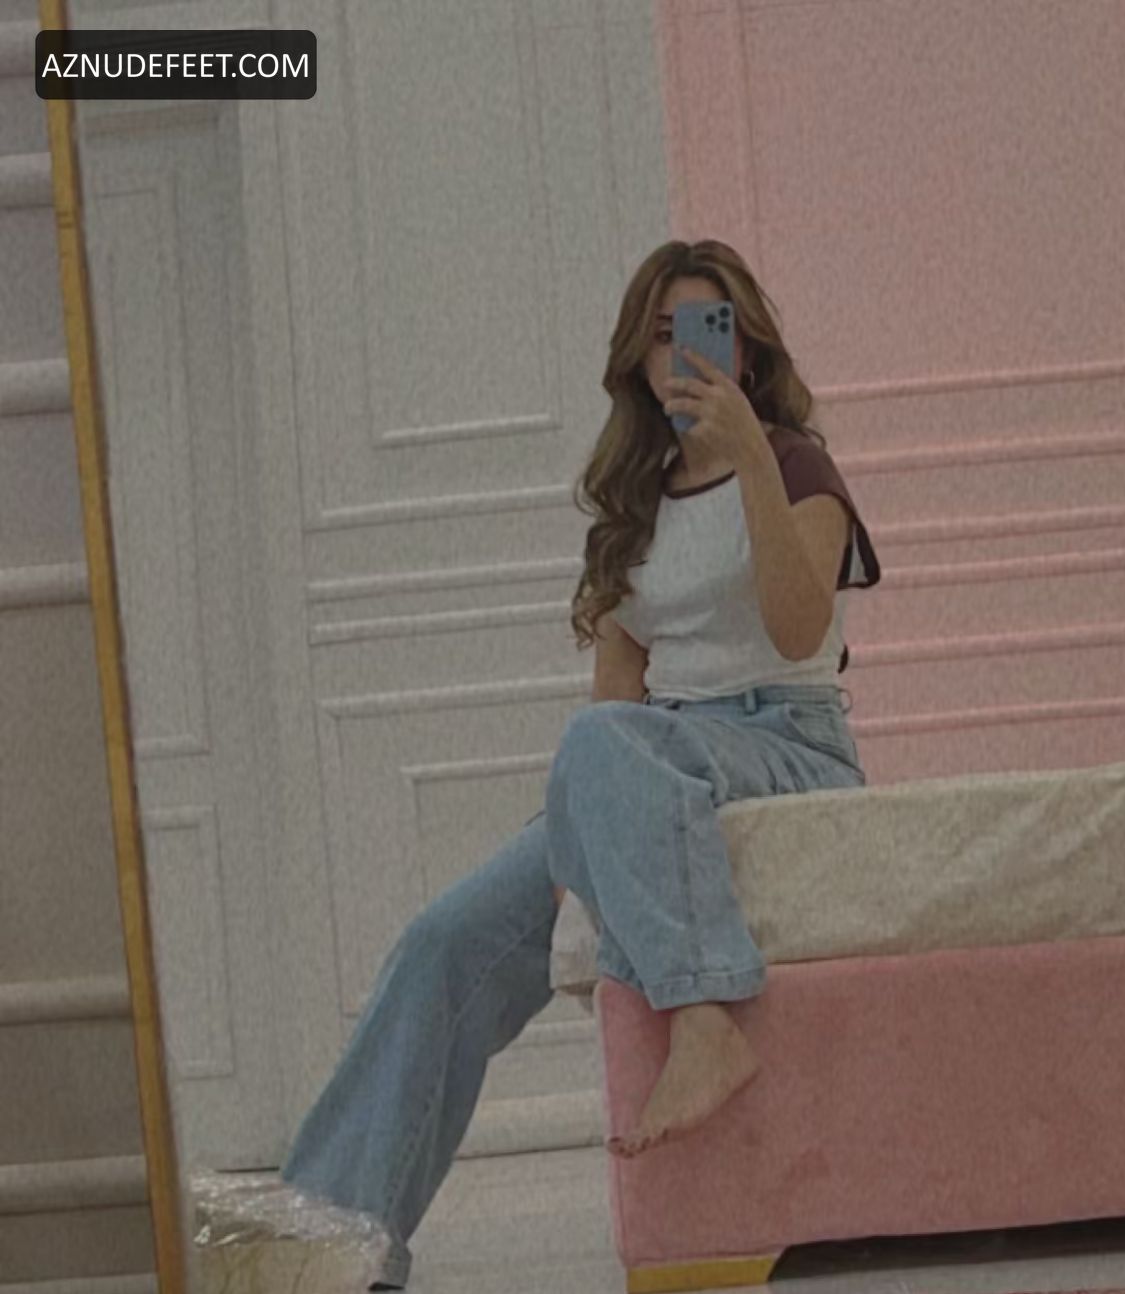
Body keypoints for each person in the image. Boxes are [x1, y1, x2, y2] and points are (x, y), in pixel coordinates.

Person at [277, 239, 881, 1290]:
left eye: (705, 330)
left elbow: (797, 631)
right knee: (444, 942)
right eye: (661, 335)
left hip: (786, 743)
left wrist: (748, 457)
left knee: (605, 746)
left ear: (745, 351)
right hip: (652, 754)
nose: (683, 353)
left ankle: (704, 1015)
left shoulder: (796, 467)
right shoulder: (632, 502)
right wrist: (574, 857)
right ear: (636, 361)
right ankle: (332, 1245)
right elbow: (614, 703)